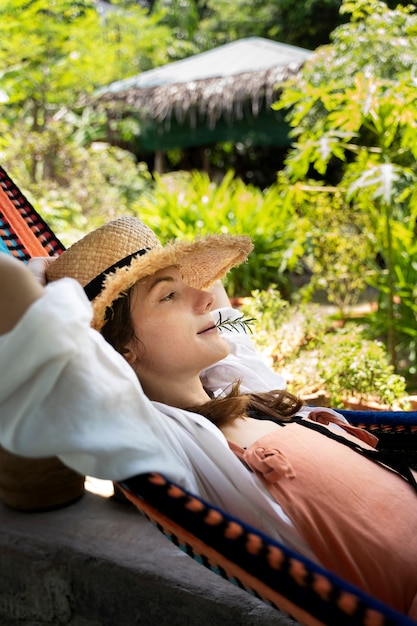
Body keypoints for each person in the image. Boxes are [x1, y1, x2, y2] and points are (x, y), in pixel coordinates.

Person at [0, 216, 416, 618]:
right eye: (169, 296)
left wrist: (171, 274)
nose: (206, 300)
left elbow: (217, 306)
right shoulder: (173, 442)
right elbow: (20, 304)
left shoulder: (250, 389)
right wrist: (41, 273)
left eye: (192, 287)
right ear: (121, 350)